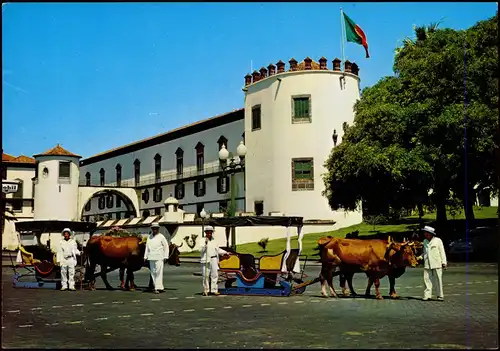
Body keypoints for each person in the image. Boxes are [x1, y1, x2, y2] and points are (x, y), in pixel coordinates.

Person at [418, 225, 447, 301]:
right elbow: (425, 253)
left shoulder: (438, 240)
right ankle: (427, 295)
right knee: (426, 280)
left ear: (431, 234)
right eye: (425, 233)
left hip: (437, 263)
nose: (426, 234)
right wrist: (419, 257)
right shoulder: (425, 241)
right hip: (427, 264)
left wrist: (444, 262)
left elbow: (442, 252)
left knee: (438, 280)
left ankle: (440, 295)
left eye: (427, 233)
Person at [200, 226, 229, 296]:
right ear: (206, 233)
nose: (209, 233)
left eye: (211, 232)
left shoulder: (214, 240)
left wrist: (225, 252)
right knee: (206, 276)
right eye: (208, 232)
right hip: (206, 260)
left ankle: (214, 290)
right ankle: (206, 290)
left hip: (214, 259)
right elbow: (200, 250)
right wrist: (205, 244)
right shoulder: (202, 240)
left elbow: (218, 250)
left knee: (215, 275)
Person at [144, 223, 169, 294]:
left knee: (158, 272)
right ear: (151, 229)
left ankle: (158, 287)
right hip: (151, 257)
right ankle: (156, 286)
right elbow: (147, 248)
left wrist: (165, 256)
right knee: (153, 273)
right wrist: (145, 256)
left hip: (159, 257)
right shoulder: (149, 237)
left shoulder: (161, 237)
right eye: (153, 228)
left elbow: (166, 247)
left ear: (158, 229)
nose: (154, 230)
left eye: (156, 228)